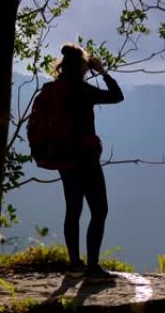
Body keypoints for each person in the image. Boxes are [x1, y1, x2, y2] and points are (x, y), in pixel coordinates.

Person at [53, 43, 124, 279]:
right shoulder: (83, 90)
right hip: (85, 158)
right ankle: (92, 267)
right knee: (99, 210)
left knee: (73, 209)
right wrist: (102, 72)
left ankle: (74, 264)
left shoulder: (56, 88)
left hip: (64, 158)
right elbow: (117, 96)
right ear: (83, 66)